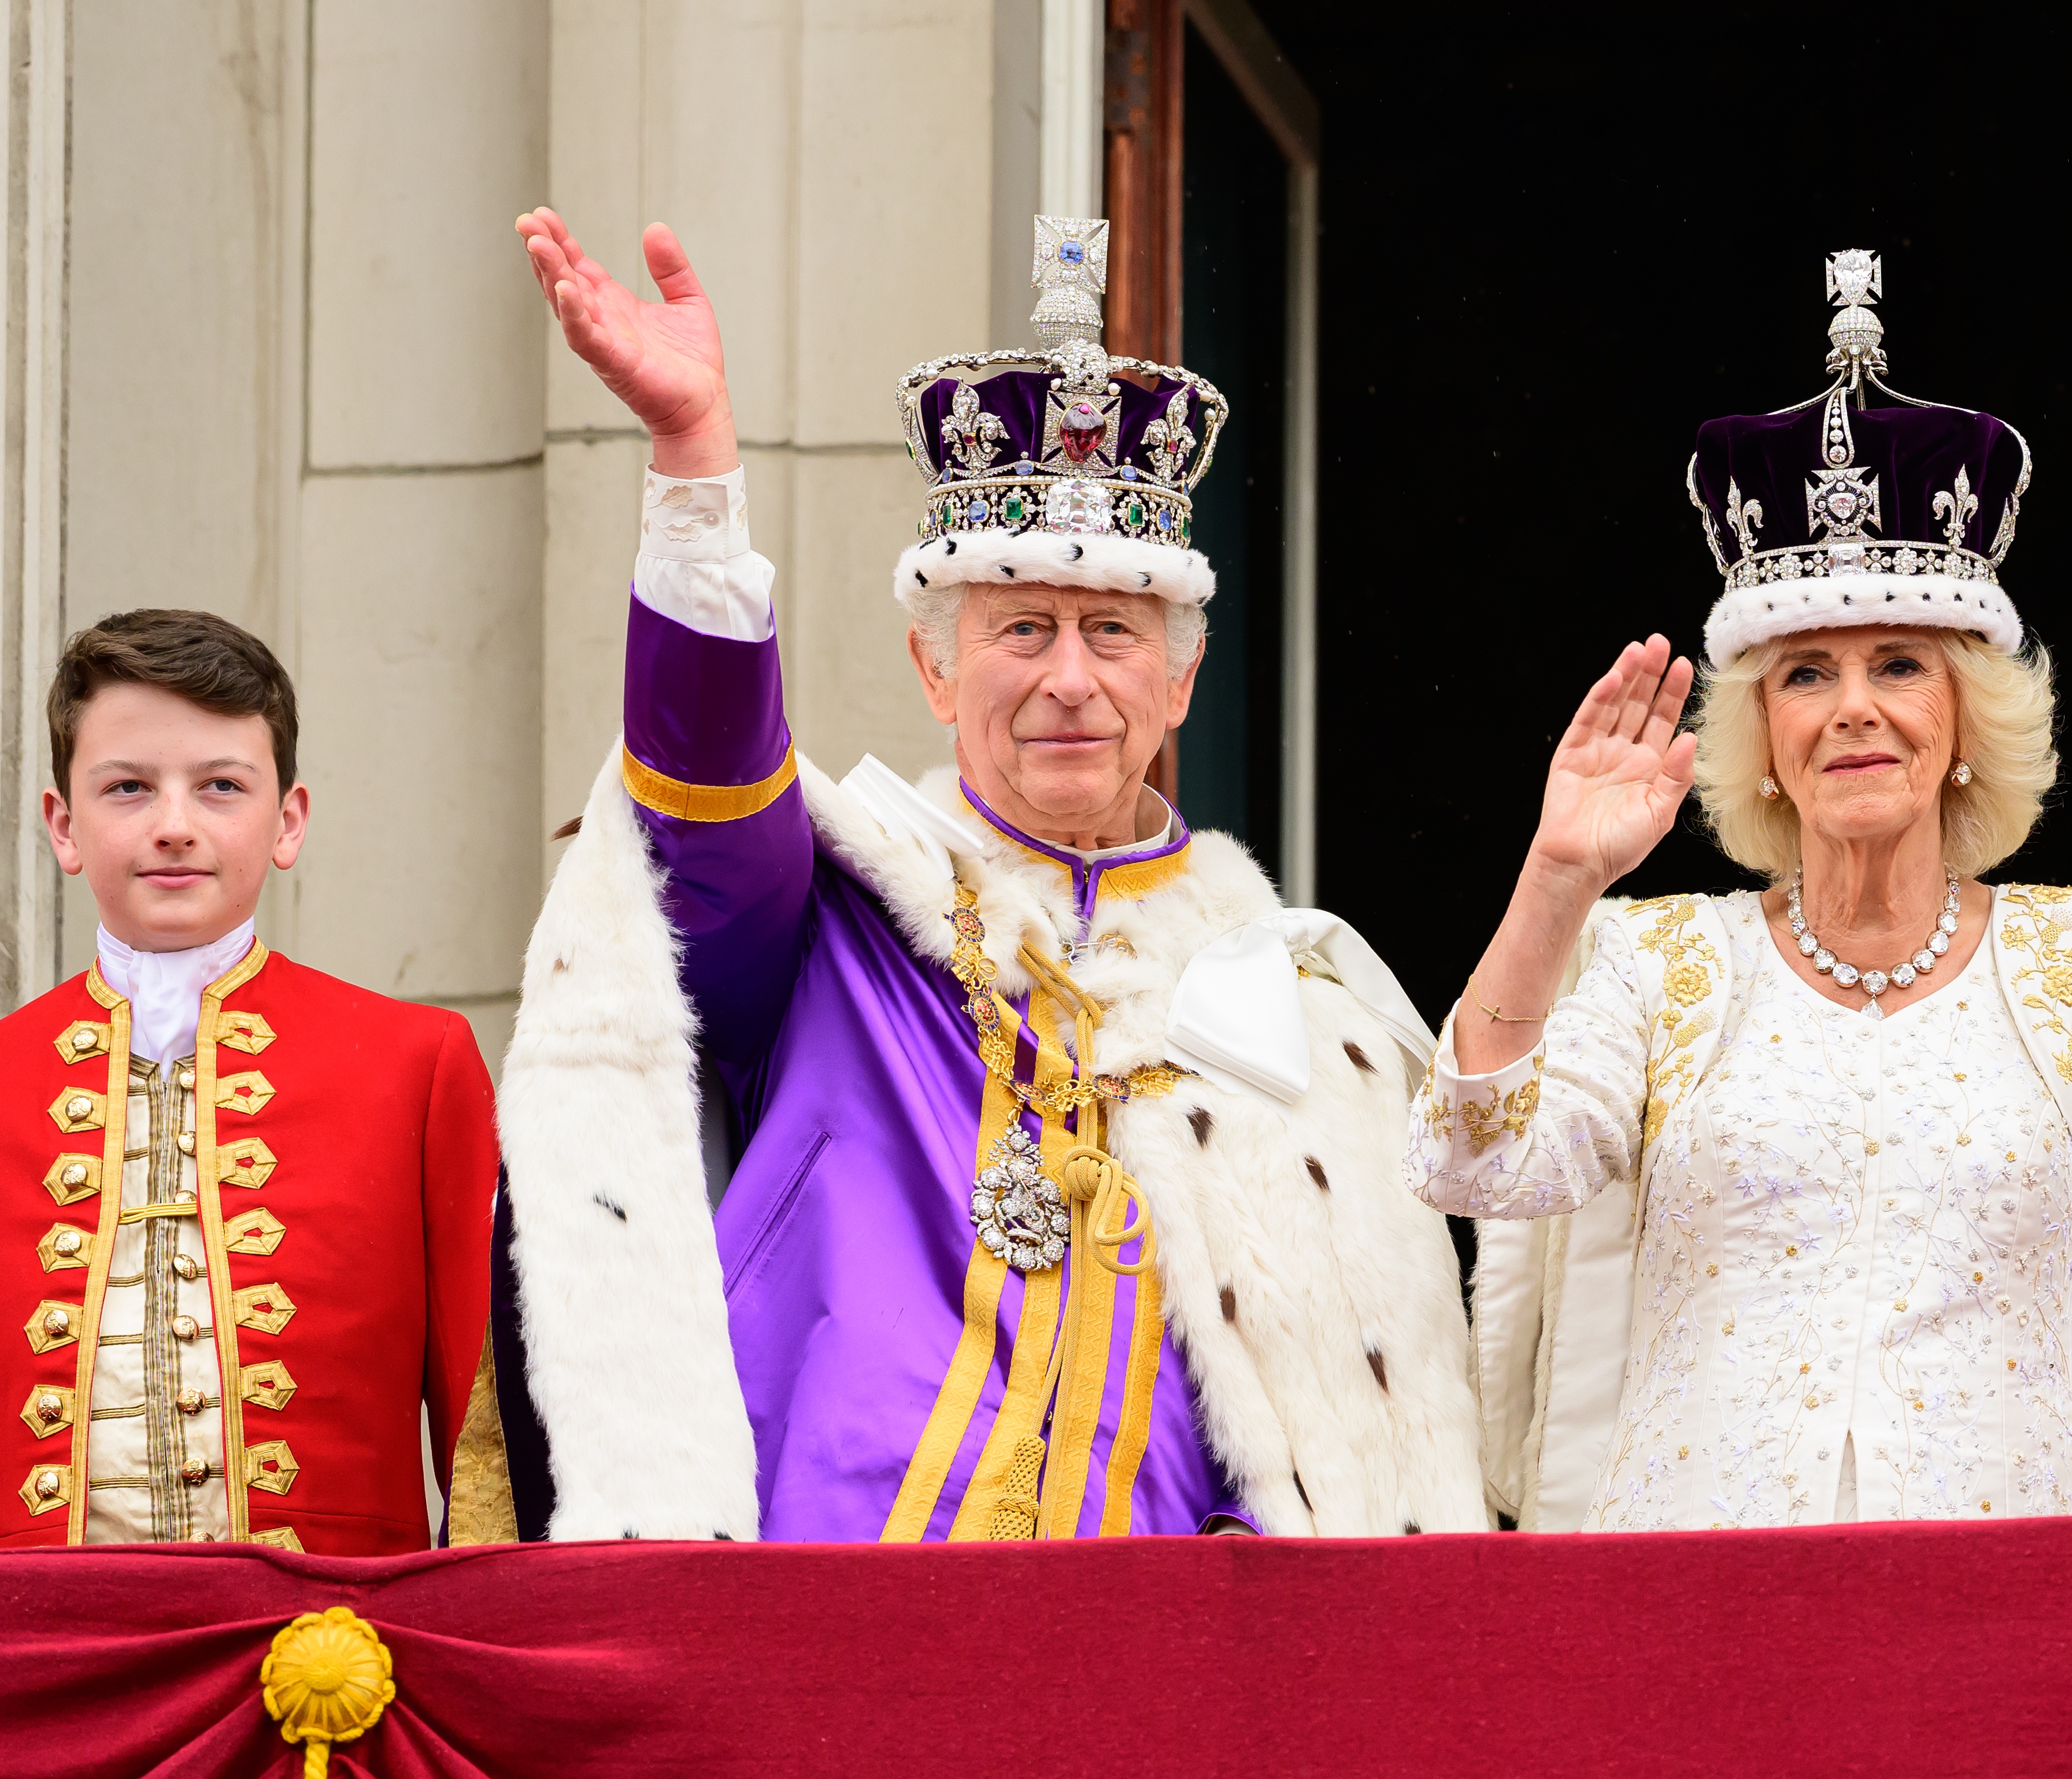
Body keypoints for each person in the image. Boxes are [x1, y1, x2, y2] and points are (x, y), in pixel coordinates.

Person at [491, 208, 1482, 1541]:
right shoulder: (827, 910)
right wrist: (694, 470)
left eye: (1112, 632)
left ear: (1180, 677)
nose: (1067, 677)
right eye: (1019, 626)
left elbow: (1347, 1405)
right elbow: (706, 787)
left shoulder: (1296, 992)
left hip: (1158, 1639)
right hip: (835, 1591)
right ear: (933, 669)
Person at [1410, 249, 2072, 1530]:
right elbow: (1475, 1162)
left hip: (2007, 1599)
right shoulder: (1658, 959)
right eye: (1805, 674)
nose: (1853, 708)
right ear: (1764, 733)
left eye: (1898, 662)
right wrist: (1554, 879)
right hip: (1700, 1606)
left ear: (1964, 715)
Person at [0, 612, 498, 1552]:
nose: (175, 826)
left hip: (335, 1654)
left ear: (286, 821)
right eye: (128, 788)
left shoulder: (418, 1063)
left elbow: (481, 1425)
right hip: (32, 1655)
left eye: (219, 787)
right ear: (63, 825)